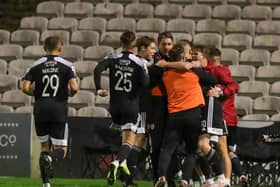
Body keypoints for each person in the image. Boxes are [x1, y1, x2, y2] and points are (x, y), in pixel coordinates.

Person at [22, 36, 79, 187]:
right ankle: (51, 158)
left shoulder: (35, 65)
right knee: (62, 150)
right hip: (58, 109)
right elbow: (74, 88)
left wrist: (36, 94)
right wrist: (70, 94)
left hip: (40, 109)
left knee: (44, 147)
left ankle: (45, 183)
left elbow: (25, 88)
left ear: (44, 48)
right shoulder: (67, 65)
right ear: (60, 48)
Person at [93, 31, 149, 186]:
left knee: (125, 137)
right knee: (131, 139)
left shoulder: (112, 57)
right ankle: (117, 162)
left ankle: (124, 169)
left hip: (115, 106)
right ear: (134, 45)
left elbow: (97, 70)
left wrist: (98, 89)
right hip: (131, 105)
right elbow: (145, 84)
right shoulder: (138, 61)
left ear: (121, 42)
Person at [155, 44, 206, 187]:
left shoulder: (165, 74)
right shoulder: (194, 72)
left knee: (168, 149)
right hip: (193, 114)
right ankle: (186, 179)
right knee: (191, 150)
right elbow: (210, 78)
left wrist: (165, 64)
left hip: (175, 115)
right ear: (183, 57)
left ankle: (162, 177)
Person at [209, 48, 248, 187]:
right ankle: (240, 175)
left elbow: (234, 86)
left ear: (211, 59)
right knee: (229, 151)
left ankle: (225, 180)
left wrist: (221, 93)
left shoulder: (218, 70)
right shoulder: (221, 72)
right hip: (231, 118)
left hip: (224, 117)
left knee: (221, 150)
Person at [122, 36, 157, 187]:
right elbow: (145, 84)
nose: (153, 52)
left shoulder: (133, 62)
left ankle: (126, 174)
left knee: (134, 142)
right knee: (138, 140)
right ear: (142, 48)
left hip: (132, 106)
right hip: (140, 107)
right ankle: (127, 177)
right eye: (152, 48)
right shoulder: (140, 63)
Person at [148, 31, 177, 187]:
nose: (167, 47)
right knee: (157, 145)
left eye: (169, 44)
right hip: (157, 104)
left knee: (171, 145)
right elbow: (152, 73)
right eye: (164, 44)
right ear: (158, 45)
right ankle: (158, 178)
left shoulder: (175, 59)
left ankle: (170, 179)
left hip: (173, 104)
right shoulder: (153, 60)